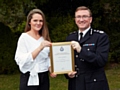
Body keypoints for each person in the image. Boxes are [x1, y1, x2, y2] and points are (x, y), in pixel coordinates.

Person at [65, 6, 110, 90]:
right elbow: (67, 60)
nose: (81, 20)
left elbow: (101, 60)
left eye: (84, 16)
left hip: (94, 84)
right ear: (75, 19)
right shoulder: (70, 37)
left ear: (90, 19)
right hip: (75, 84)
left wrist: (81, 50)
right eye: (78, 17)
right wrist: (68, 73)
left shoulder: (100, 37)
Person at [15, 8, 54, 90]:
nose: (38, 23)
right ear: (29, 22)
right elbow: (20, 59)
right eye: (35, 20)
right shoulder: (24, 38)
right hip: (29, 77)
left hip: (44, 77)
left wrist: (52, 69)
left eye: (41, 21)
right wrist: (40, 47)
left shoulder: (44, 38)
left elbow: (47, 58)